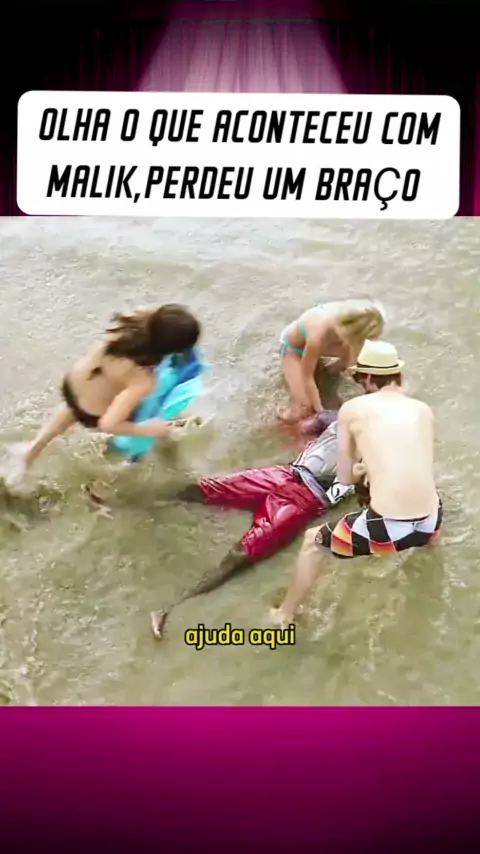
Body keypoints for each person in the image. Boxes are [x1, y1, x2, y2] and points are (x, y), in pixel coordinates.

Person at [270, 339, 442, 627]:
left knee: (312, 542)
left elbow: (346, 478)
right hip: (430, 520)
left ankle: (284, 614)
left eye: (360, 379)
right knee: (424, 487)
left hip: (390, 528)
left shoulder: (352, 409)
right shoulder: (423, 410)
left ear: (370, 378)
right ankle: (433, 543)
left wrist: (361, 469)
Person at [150, 412, 355, 639]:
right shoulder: (342, 417)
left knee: (243, 553)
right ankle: (137, 499)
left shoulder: (375, 455)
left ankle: (171, 608)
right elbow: (305, 427)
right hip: (286, 473)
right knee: (204, 489)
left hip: (306, 498)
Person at [4, 304, 201, 488]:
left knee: (78, 405)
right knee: (144, 415)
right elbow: (109, 424)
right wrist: (148, 429)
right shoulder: (143, 380)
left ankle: (31, 450)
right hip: (92, 412)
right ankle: (108, 478)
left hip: (73, 386)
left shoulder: (128, 324)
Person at [279, 297, 385, 422]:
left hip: (331, 338)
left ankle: (333, 370)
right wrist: (320, 412)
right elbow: (307, 377)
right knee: (306, 408)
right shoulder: (317, 335)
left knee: (351, 366)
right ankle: (284, 418)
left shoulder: (353, 316)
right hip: (295, 350)